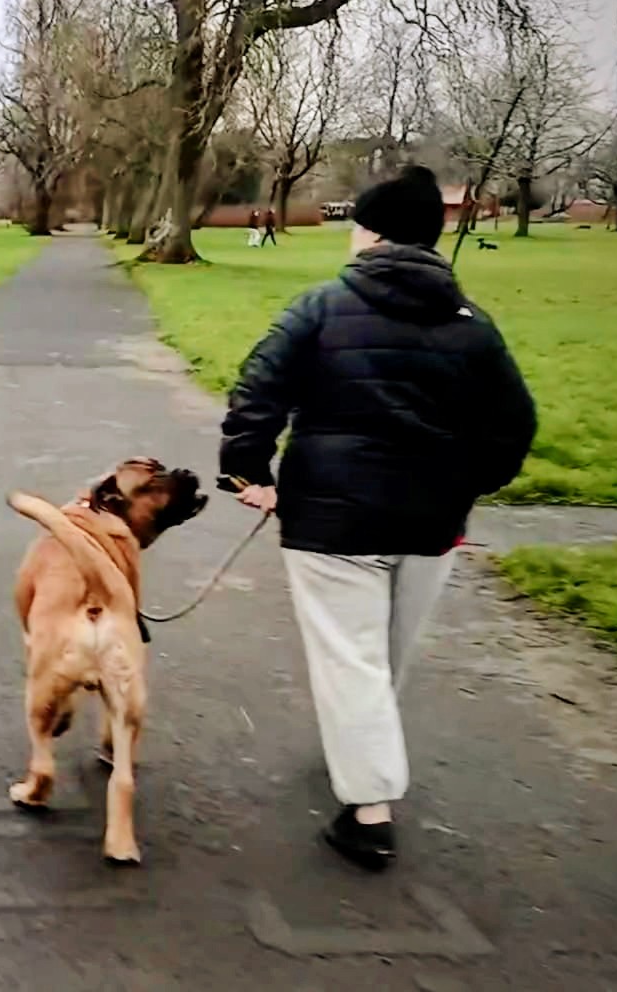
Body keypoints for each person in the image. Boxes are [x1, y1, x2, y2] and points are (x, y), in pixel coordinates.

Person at [218, 164, 535, 870]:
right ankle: (359, 751)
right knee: (384, 654)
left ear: (369, 231)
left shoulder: (320, 308)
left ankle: (369, 812)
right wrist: (468, 485)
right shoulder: (475, 326)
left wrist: (249, 472)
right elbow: (514, 426)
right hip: (432, 524)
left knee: (351, 657)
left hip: (332, 523)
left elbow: (256, 392)